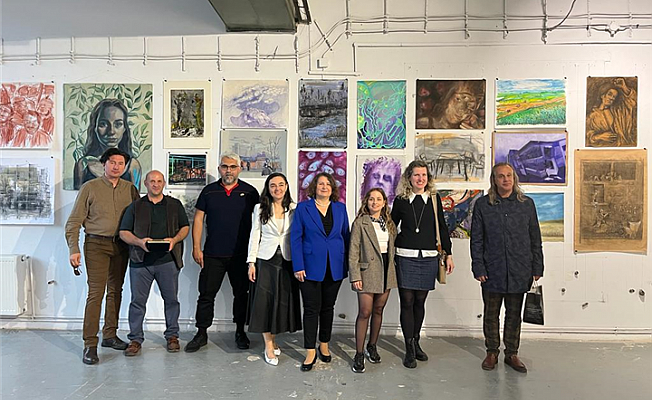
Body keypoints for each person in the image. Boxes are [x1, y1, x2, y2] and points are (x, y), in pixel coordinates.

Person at [65, 148, 140, 365]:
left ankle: (110, 335)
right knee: (96, 293)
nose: (116, 166)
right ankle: (90, 344)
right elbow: (74, 222)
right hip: (96, 244)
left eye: (121, 163)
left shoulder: (130, 189)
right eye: (112, 162)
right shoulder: (90, 187)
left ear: (125, 166)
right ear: (103, 164)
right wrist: (74, 249)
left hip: (121, 246)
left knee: (116, 291)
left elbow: (139, 218)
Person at [471, 162, 544, 373]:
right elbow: (476, 239)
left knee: (514, 314)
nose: (506, 179)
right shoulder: (483, 205)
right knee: (491, 314)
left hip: (520, 268)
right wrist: (478, 267)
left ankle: (511, 353)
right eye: (501, 176)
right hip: (492, 269)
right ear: (494, 180)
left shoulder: (526, 204)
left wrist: (537, 266)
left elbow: (535, 237)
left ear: (514, 178)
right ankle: (492, 352)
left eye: (509, 175)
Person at [185, 152, 260, 353]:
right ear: (219, 169)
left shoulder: (250, 192)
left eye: (232, 167)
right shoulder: (209, 191)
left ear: (239, 169)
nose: (228, 170)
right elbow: (198, 219)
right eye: (225, 166)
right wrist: (196, 247)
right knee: (206, 295)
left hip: (241, 255)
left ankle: (240, 332)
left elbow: (259, 223)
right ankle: (201, 333)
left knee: (241, 295)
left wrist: (255, 255)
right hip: (212, 254)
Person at [391, 160, 454, 368]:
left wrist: (449, 254)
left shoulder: (434, 199)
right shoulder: (401, 200)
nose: (420, 179)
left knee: (420, 301)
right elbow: (391, 227)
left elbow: (442, 228)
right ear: (409, 177)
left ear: (428, 178)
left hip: (428, 256)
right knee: (407, 301)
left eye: (424, 175)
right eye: (416, 175)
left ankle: (416, 341)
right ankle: (408, 347)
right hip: (405, 256)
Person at [118, 170, 190, 356]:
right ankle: (135, 339)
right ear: (146, 183)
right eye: (152, 181)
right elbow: (123, 232)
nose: (156, 184)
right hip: (140, 262)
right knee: (137, 302)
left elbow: (185, 227)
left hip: (168, 261)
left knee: (171, 300)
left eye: (159, 181)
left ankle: (172, 336)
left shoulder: (174, 205)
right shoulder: (135, 207)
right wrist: (139, 242)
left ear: (163, 183)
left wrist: (174, 240)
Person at [291, 172, 350, 372]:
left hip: (335, 265)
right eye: (320, 184)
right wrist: (298, 265)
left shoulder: (340, 208)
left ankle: (324, 344)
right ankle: (310, 350)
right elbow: (296, 238)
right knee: (311, 308)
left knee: (328, 307)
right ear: (314, 187)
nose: (324, 187)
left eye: (328, 184)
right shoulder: (303, 208)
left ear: (332, 188)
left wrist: (348, 265)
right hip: (308, 267)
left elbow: (346, 236)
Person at [246, 173, 301, 366]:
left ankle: (273, 339)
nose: (277, 189)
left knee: (280, 303)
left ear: (286, 186)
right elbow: (255, 235)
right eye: (273, 185)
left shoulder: (295, 209)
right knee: (265, 303)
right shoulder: (260, 208)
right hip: (265, 260)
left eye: (280, 184)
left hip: (287, 260)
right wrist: (251, 262)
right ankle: (268, 345)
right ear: (268, 189)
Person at [348, 188, 398, 373]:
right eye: (371, 199)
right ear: (366, 202)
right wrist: (355, 276)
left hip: (386, 269)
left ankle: (372, 345)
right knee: (365, 311)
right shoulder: (360, 222)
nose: (375, 202)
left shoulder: (389, 223)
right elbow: (353, 251)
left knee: (378, 309)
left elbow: (392, 249)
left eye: (378, 199)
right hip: (367, 271)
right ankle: (359, 353)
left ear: (384, 202)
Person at [73, 99, 142, 190]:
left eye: (118, 124)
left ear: (125, 128)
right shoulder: (83, 165)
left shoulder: (132, 165)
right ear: (94, 128)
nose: (111, 131)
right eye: (103, 124)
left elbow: (135, 197)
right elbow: (79, 196)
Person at [586, 78, 637, 147]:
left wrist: (624, 87)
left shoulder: (618, 112)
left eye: (614, 97)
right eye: (610, 94)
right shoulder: (591, 116)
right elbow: (587, 136)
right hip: (602, 148)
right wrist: (600, 136)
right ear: (602, 95)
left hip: (621, 146)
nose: (611, 98)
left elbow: (632, 102)